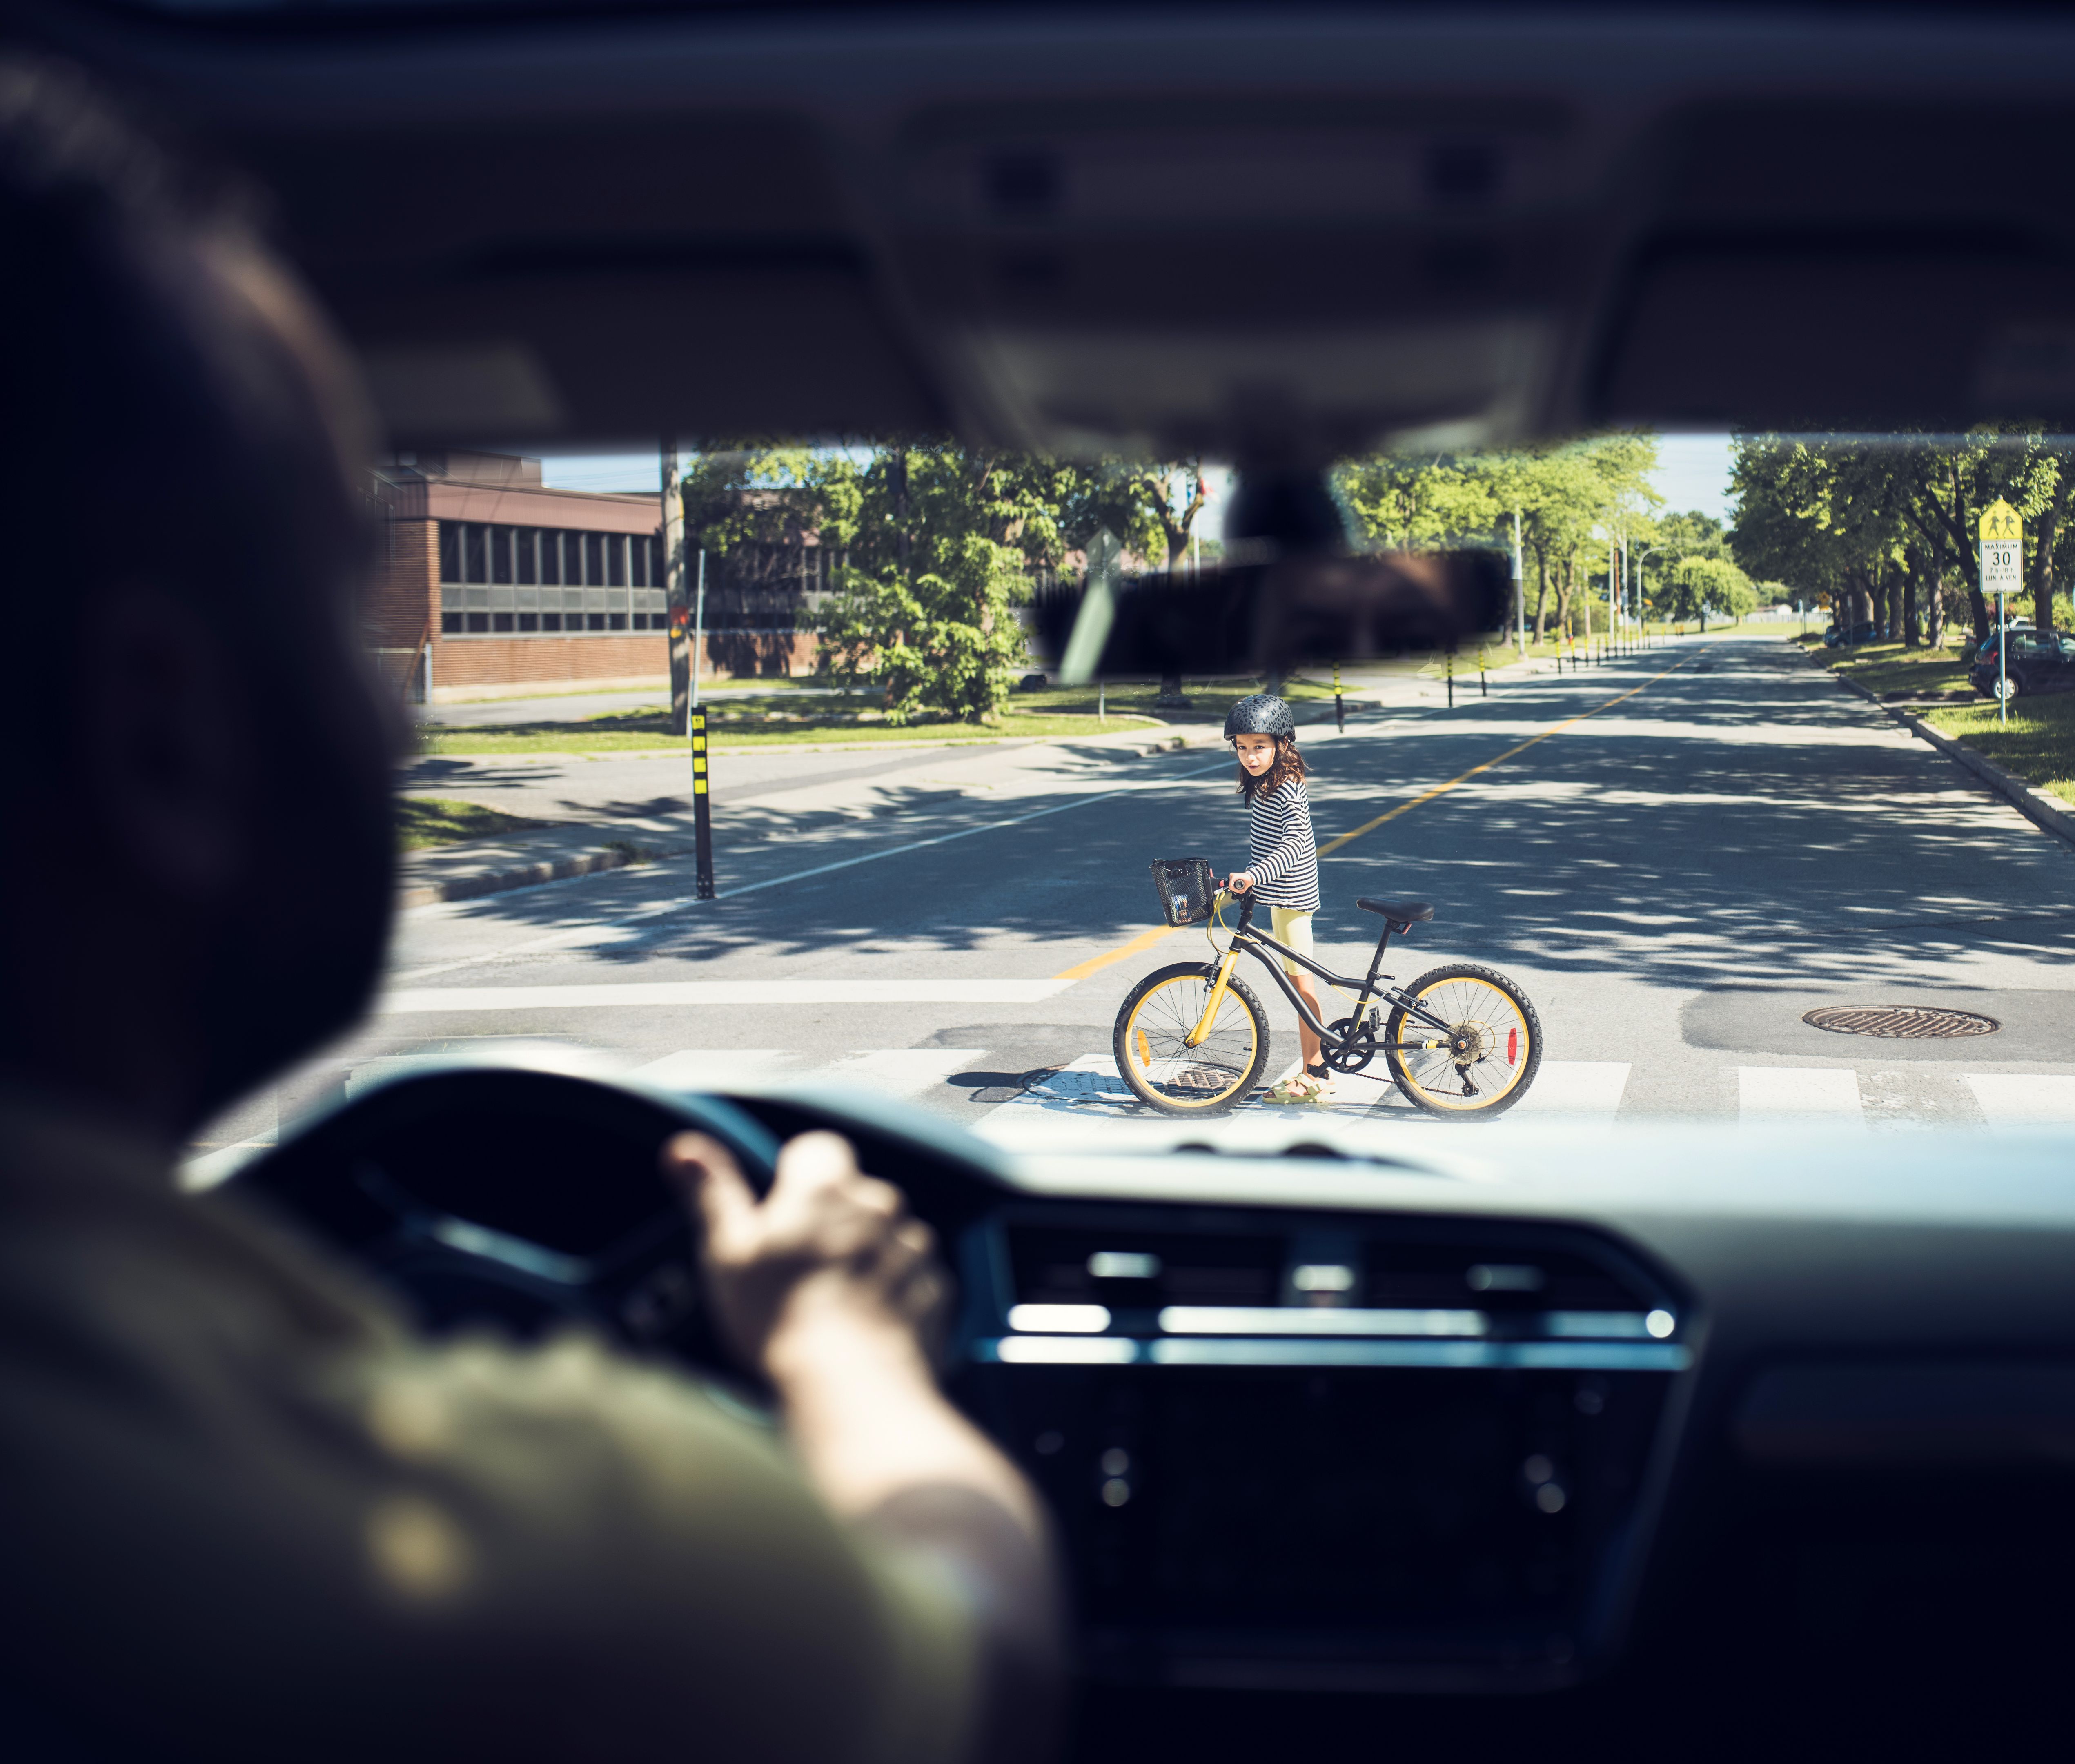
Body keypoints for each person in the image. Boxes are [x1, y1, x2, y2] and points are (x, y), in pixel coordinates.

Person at [0, 56, 1059, 1762]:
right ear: (159, 733)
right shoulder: (458, 1556)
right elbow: (986, 1666)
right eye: (341, 595)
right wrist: (843, 1352)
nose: (401, 722)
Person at [1219, 694, 1332, 1102]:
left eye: (1259, 747)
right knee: (1296, 982)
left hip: (1293, 899)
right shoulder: (1264, 785)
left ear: (1282, 744)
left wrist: (1254, 876)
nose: (1250, 756)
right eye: (1242, 747)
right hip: (1278, 897)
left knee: (1301, 985)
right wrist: (1246, 882)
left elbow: (1295, 843)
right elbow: (1265, 847)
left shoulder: (1286, 788)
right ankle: (1313, 1068)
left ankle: (1316, 1071)